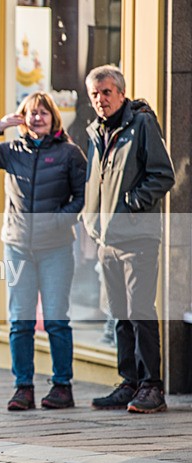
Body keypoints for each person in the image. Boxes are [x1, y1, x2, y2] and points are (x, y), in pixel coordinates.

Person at [0, 91, 86, 411]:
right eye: (31, 112)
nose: (37, 117)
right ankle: (23, 388)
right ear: (23, 118)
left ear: (53, 118)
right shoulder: (11, 150)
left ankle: (62, 387)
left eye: (43, 112)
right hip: (18, 248)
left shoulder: (69, 153)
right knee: (20, 321)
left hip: (56, 248)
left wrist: (58, 220)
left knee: (56, 319)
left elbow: (83, 196)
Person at [81, 65, 175, 413]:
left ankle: (152, 387)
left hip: (138, 237)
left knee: (140, 311)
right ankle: (129, 382)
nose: (100, 99)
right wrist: (90, 220)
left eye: (106, 92)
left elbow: (163, 175)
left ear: (121, 93)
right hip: (106, 238)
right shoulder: (96, 130)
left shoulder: (141, 124)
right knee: (119, 312)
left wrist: (131, 204)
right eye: (94, 94)